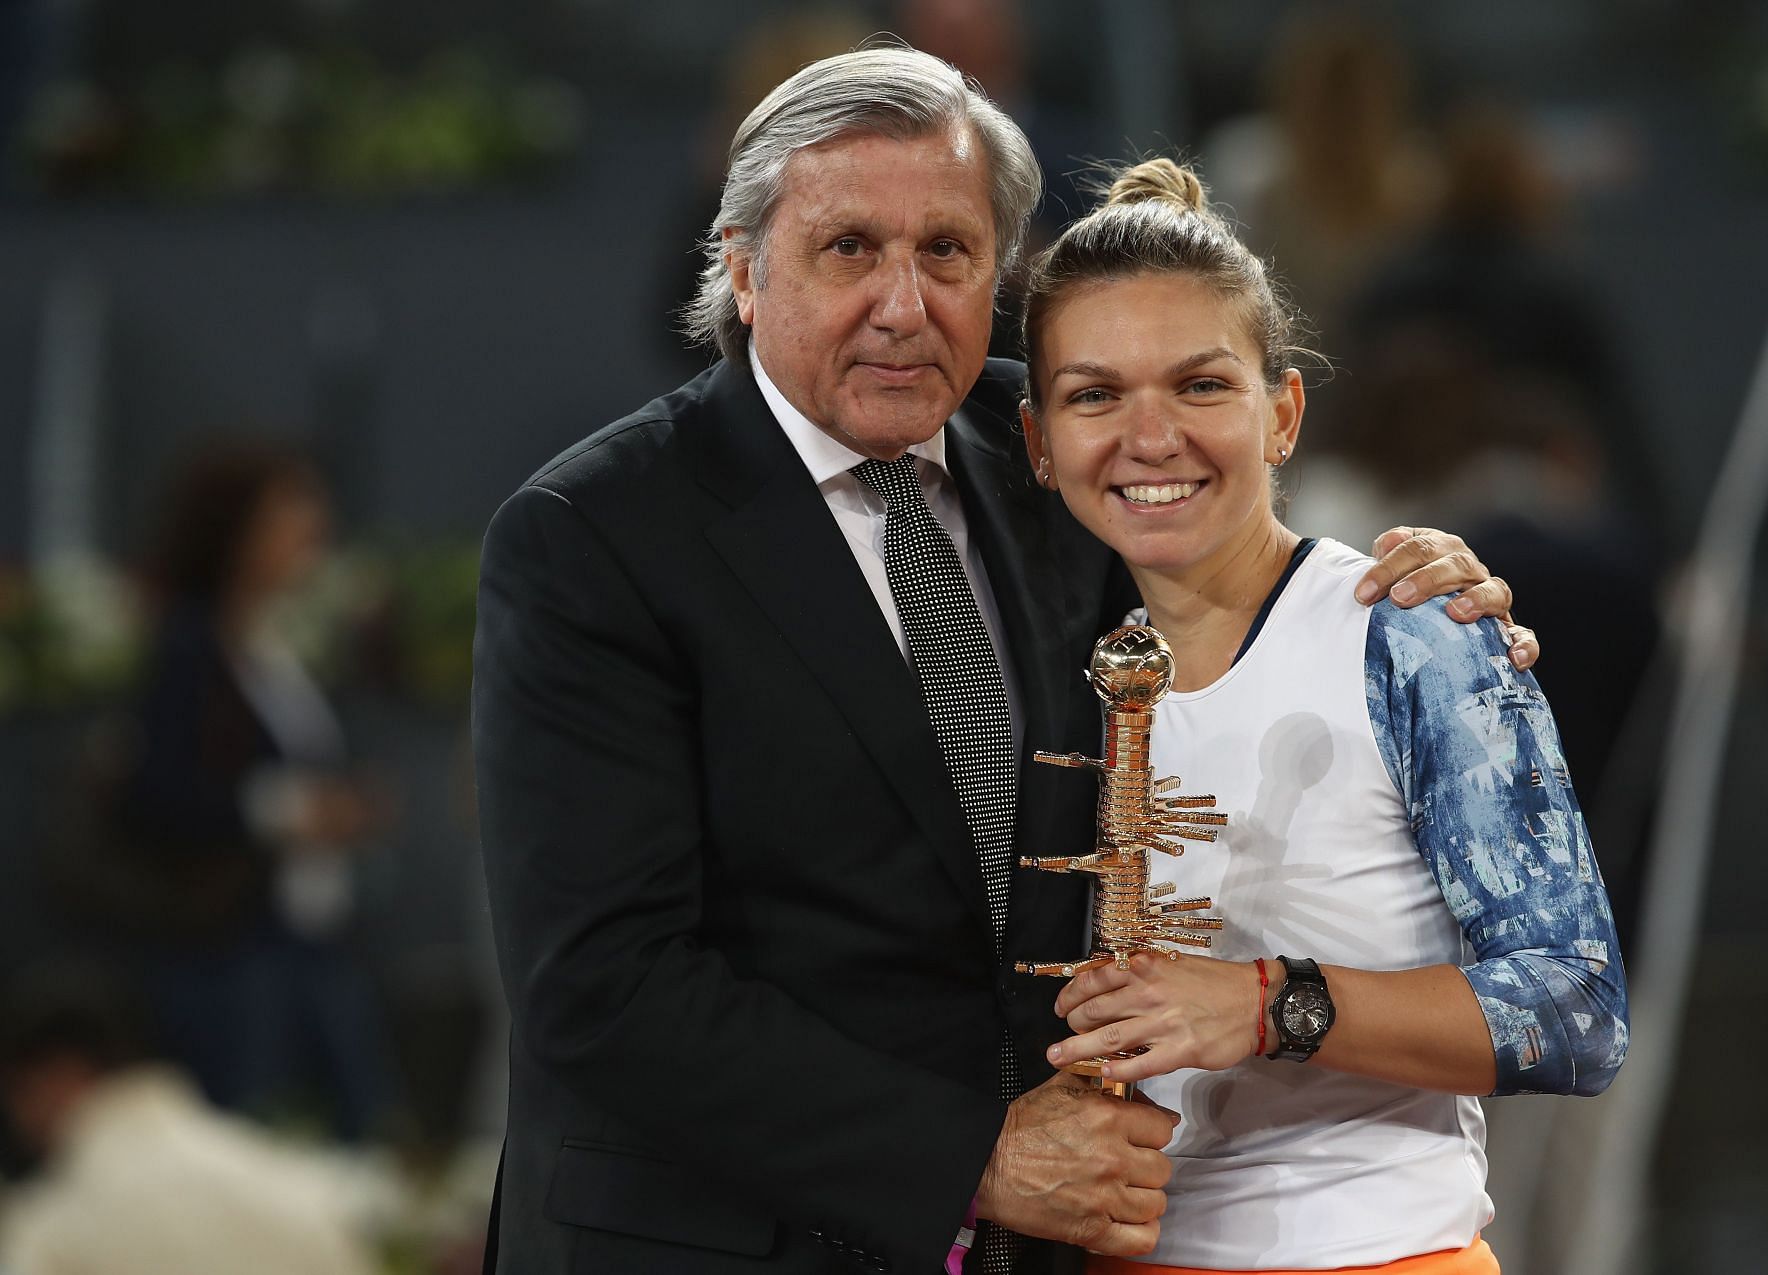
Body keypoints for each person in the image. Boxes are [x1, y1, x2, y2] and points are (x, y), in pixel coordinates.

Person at [473, 46, 1538, 1275]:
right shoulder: (591, 538)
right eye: (848, 249)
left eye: (948, 252)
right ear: (743, 270)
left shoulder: (1048, 444)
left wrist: (1403, 596)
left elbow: (1228, 543)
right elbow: (603, 986)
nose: (903, 302)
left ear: (1003, 275)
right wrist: (973, 1160)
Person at [1017, 159, 1628, 1274]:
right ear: (1039, 445)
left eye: (1201, 386)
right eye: (1095, 395)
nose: (1150, 438)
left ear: (1283, 411)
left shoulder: (1414, 632)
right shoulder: (1039, 664)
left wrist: (1268, 1004)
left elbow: (1575, 1007)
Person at [111, 442, 395, 1140]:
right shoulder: (187, 647)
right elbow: (160, 792)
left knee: (361, 1136)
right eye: (287, 517)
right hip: (231, 946)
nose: (310, 536)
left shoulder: (277, 644)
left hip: (315, 937)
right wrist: (296, 810)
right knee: (243, 1142)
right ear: (233, 530)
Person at [0, 961, 379, 1275]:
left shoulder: (53, 1229)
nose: (17, 1118)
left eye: (18, 1092)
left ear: (60, 1076)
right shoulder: (307, 1187)